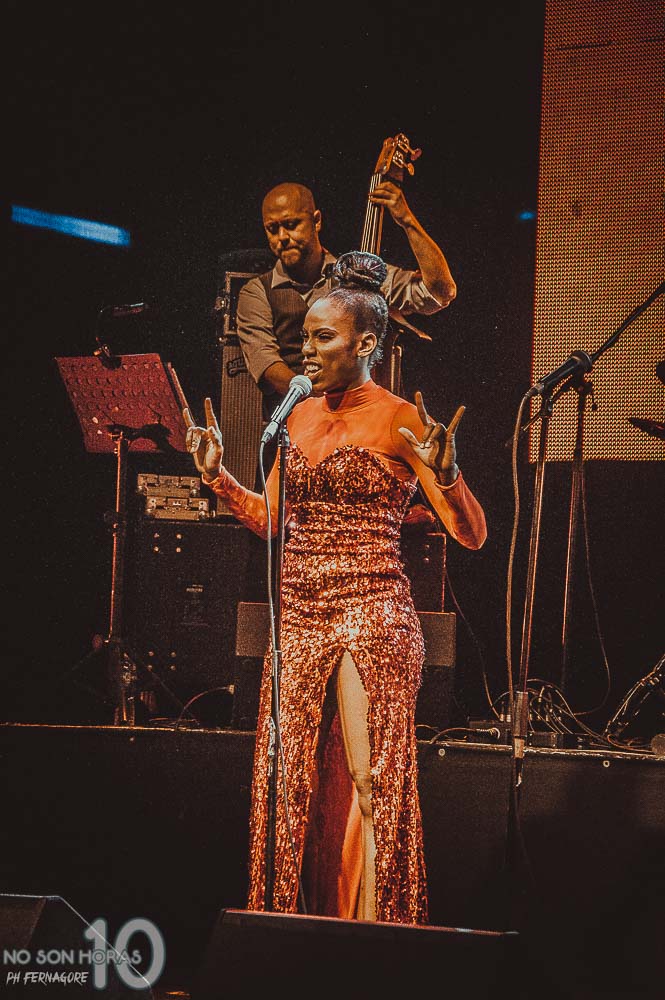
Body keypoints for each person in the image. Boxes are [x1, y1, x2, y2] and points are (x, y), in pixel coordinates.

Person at [183, 251, 486, 925]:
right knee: (289, 785)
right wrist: (217, 478)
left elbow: (471, 535)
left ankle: (379, 935)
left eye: (323, 337)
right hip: (298, 613)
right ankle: (293, 931)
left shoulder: (402, 419)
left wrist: (447, 474)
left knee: (370, 779)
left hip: (372, 609)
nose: (307, 350)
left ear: (365, 343)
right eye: (304, 338)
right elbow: (271, 520)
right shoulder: (295, 416)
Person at [235, 180, 457, 420]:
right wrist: (329, 405)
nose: (282, 237)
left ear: (316, 221)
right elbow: (268, 365)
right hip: (300, 423)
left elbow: (440, 293)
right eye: (272, 229)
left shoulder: (359, 275)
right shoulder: (256, 292)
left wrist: (407, 221)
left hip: (373, 418)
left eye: (291, 225)